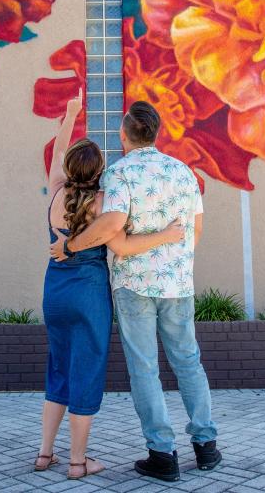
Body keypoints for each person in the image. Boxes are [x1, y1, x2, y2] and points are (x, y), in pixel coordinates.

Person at [51, 101, 221, 482]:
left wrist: (71, 246)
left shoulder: (119, 174)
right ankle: (206, 446)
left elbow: (112, 224)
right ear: (155, 133)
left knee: (145, 369)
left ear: (124, 136)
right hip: (178, 284)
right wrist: (175, 258)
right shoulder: (183, 173)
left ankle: (163, 453)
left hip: (135, 286)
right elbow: (196, 228)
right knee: (188, 362)